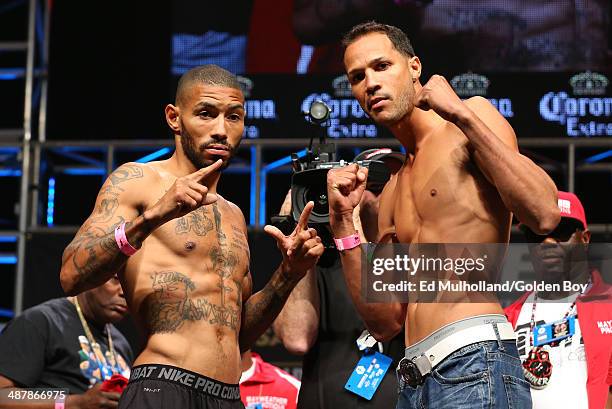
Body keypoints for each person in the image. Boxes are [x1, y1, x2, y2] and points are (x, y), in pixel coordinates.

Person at [59, 64, 324, 409]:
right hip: (162, 385)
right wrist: (152, 217)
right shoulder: (138, 181)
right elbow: (70, 275)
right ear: (174, 118)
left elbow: (238, 334)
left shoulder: (233, 215)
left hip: (228, 396)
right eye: (206, 114)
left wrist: (289, 274)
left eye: (234, 117)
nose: (221, 130)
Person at [325, 21, 561, 408]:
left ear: (414, 67)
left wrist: (463, 117)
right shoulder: (391, 191)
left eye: (382, 66)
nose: (369, 83)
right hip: (414, 379)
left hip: (474, 358)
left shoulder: (468, 120)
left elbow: (544, 213)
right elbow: (386, 322)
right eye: (357, 76)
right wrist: (345, 225)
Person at [273, 148, 405, 408]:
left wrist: (350, 227)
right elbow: (296, 339)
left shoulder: (418, 262)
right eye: (375, 186)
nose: (386, 194)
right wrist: (298, 235)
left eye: (395, 185)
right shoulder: (319, 261)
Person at [504, 191, 612, 409]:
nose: (547, 241)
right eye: (536, 234)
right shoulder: (507, 318)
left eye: (561, 232)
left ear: (585, 239)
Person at [0, 276, 133, 408]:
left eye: (129, 285)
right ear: (91, 277)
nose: (124, 292)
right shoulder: (41, 322)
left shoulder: (121, 343)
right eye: (116, 280)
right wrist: (73, 403)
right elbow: (3, 395)